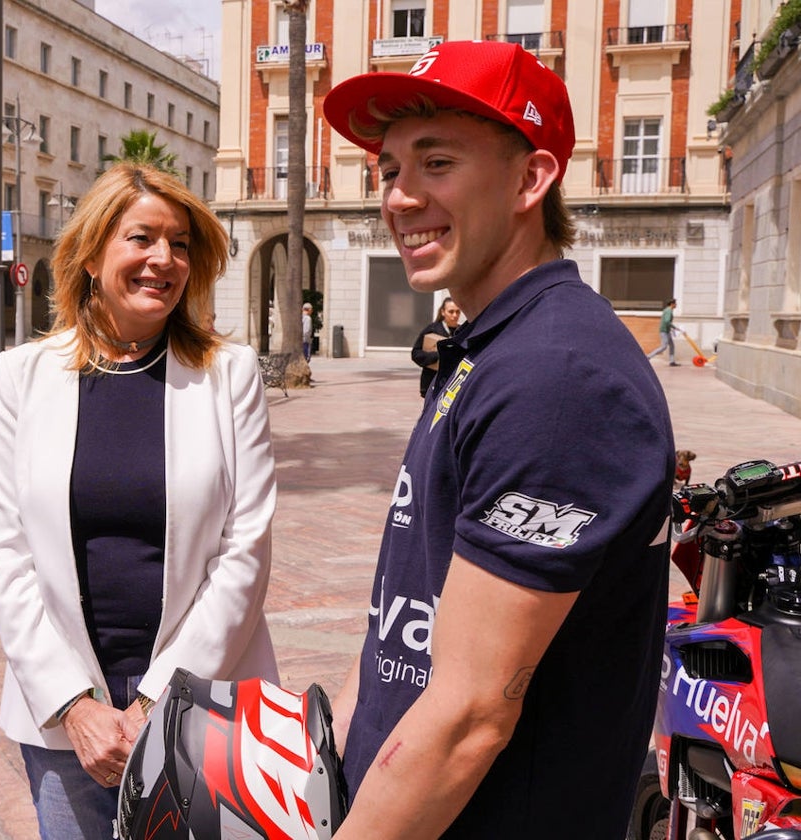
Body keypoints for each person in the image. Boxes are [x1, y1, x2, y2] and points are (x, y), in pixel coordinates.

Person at [322, 40, 674, 839]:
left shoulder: (558, 376)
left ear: (531, 178)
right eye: (388, 170)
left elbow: (473, 715)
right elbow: (403, 620)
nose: (400, 198)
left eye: (436, 162)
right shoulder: (490, 344)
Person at [0, 162, 278, 840]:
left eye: (180, 244)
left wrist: (153, 701)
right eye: (141, 238)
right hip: (64, 723)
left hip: (204, 707)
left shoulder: (230, 376)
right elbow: (4, 554)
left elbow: (246, 554)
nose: (163, 260)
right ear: (90, 253)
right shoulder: (23, 377)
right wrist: (76, 706)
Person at [410, 297, 461, 398]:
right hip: (431, 384)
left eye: (457, 312)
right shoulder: (432, 329)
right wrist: (437, 356)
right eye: (451, 312)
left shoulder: (462, 331)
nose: (454, 315)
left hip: (453, 385)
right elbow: (416, 354)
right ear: (443, 312)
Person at [646, 297, 680, 366]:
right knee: (663, 347)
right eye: (675, 304)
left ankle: (672, 361)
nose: (676, 305)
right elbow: (667, 321)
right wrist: (674, 327)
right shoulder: (669, 311)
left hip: (666, 331)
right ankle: (648, 356)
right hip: (664, 331)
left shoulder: (667, 310)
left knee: (672, 345)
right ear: (672, 304)